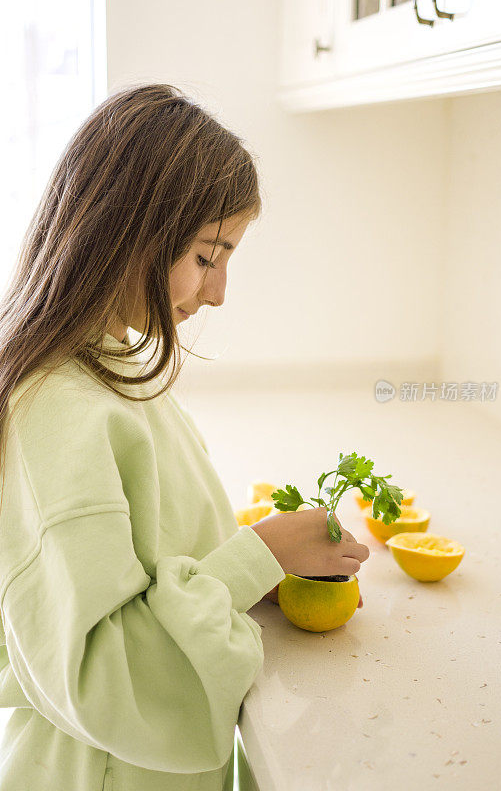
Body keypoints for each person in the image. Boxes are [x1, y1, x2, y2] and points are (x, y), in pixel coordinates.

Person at [0, 83, 369, 791]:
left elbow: (145, 566)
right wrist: (253, 556)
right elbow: (104, 678)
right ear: (127, 230)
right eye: (207, 256)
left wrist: (250, 571)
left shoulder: (110, 368)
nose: (219, 292)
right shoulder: (59, 409)